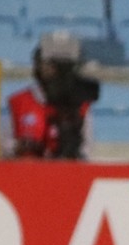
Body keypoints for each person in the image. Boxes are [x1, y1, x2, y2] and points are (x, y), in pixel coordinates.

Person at [7, 32, 100, 160]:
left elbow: (86, 151)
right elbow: (3, 148)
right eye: (45, 63)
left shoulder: (82, 106)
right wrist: (20, 147)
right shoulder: (18, 102)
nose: (48, 69)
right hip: (26, 174)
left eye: (55, 65)